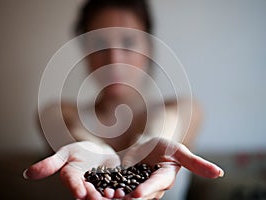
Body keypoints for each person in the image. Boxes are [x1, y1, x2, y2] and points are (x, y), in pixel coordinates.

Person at [23, 0, 224, 199]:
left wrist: (149, 141)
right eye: (100, 45)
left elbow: (170, 120)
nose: (114, 59)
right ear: (86, 52)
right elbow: (67, 126)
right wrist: (91, 147)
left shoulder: (184, 108)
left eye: (128, 42)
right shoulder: (57, 113)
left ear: (148, 48)